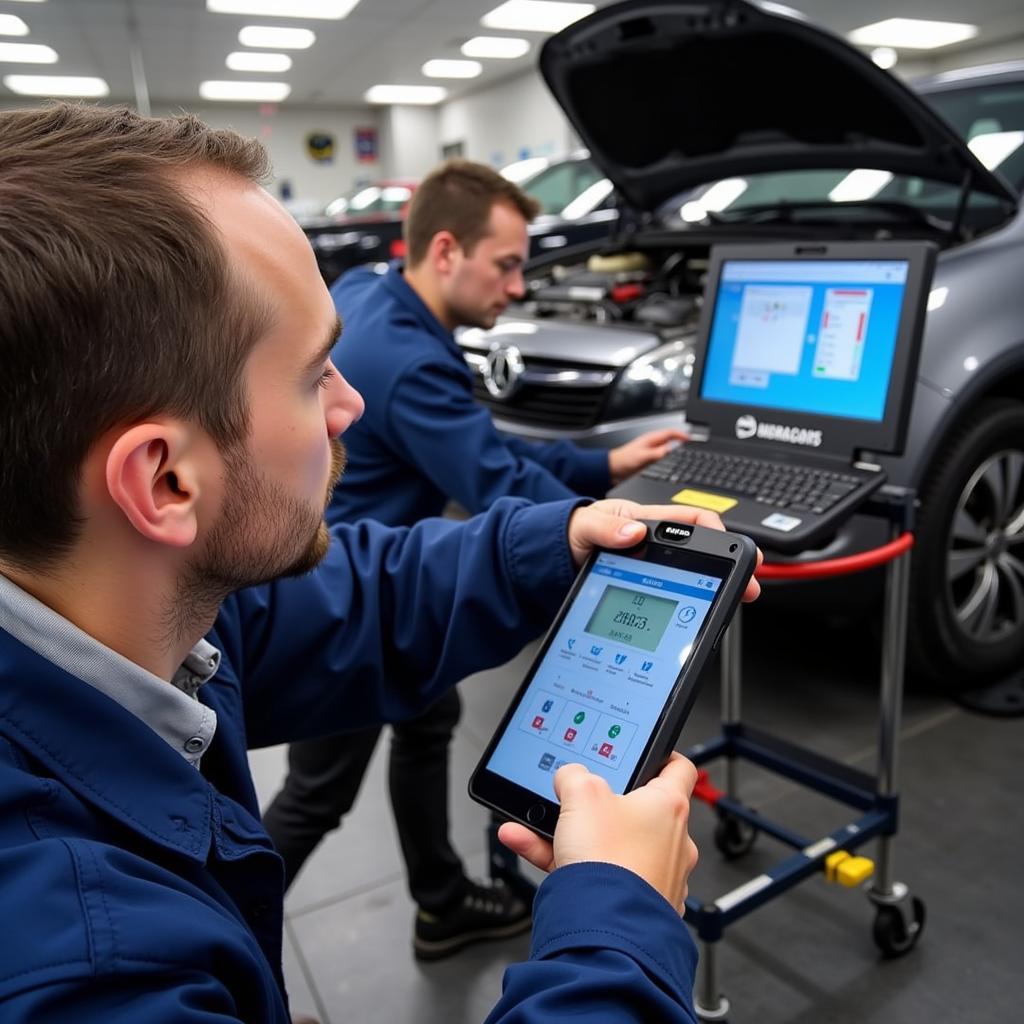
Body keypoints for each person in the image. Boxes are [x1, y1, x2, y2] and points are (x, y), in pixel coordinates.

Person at [0, 106, 760, 1022]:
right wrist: (619, 929)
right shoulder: (86, 966)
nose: (351, 402)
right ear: (163, 481)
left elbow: (355, 602)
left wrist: (551, 546)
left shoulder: (132, 613)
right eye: (313, 372)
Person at [262, 159, 686, 960]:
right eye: (508, 263)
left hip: (379, 569)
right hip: (352, 597)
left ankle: (441, 898)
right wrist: (597, 504)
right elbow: (496, 482)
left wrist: (602, 468)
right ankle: (237, 936)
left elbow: (479, 445)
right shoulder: (412, 358)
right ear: (448, 250)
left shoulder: (374, 295)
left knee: (430, 722)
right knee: (317, 794)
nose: (519, 287)